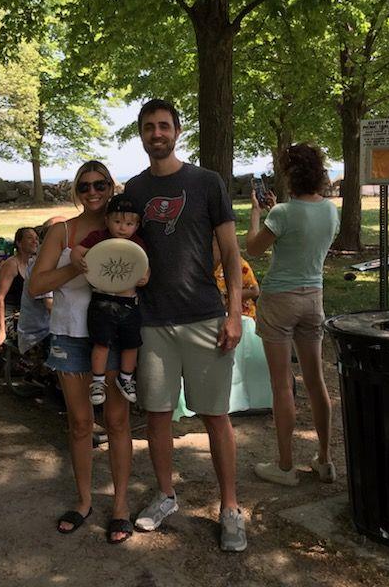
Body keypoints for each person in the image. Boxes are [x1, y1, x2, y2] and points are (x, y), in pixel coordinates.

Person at [123, 99, 246, 552]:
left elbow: (231, 253)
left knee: (216, 416)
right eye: (148, 127)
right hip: (152, 322)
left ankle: (230, 507)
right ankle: (165, 495)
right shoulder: (134, 190)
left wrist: (234, 313)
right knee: (157, 415)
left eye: (164, 126)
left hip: (204, 317)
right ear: (141, 134)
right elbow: (121, 248)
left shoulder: (206, 182)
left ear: (177, 131)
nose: (156, 133)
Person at [29, 161, 134, 544]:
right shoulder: (63, 231)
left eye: (100, 184)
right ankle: (84, 500)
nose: (93, 192)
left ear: (110, 187)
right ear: (77, 190)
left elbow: (143, 270)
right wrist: (75, 265)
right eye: (85, 185)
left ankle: (120, 506)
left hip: (114, 336)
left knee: (117, 422)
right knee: (79, 423)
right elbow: (35, 285)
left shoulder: (123, 225)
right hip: (70, 336)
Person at [246, 142, 340, 486]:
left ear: (290, 174)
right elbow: (304, 234)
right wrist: (277, 211)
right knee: (316, 381)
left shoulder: (282, 214)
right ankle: (325, 460)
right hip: (313, 299)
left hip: (279, 301)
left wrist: (257, 214)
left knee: (282, 383)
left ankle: (285, 466)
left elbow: (253, 249)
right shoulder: (330, 211)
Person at [70, 194, 150, 406]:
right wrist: (77, 259)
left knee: (131, 343)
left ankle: (126, 378)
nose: (122, 228)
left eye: (129, 224)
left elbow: (144, 265)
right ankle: (97, 381)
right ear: (107, 220)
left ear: (137, 225)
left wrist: (145, 277)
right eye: (117, 221)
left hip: (129, 303)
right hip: (102, 301)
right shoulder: (99, 238)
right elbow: (77, 250)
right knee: (101, 343)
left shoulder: (137, 243)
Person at [16, 216, 67, 372]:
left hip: (43, 332)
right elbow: (50, 306)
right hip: (37, 337)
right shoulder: (43, 266)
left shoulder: (52, 260)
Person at [0, 227, 39, 350]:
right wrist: (2, 330)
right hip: (11, 315)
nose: (35, 241)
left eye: (36, 238)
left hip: (27, 313)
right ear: (19, 243)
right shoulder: (11, 265)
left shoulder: (34, 263)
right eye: (29, 238)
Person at [212, 235, 259, 320]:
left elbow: (255, 291)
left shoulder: (240, 265)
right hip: (217, 315)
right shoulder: (205, 266)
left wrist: (228, 297)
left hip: (243, 314)